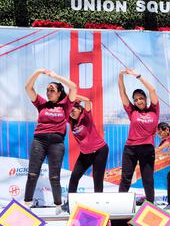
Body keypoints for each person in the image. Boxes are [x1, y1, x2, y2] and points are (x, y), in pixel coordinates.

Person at [24, 69, 77, 214]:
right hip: (39, 141)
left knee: (54, 177)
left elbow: (73, 87)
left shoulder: (65, 105)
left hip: (56, 143)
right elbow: (28, 88)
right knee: (32, 174)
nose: (48, 92)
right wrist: (38, 72)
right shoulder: (41, 103)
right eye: (47, 90)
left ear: (59, 93)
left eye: (52, 89)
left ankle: (58, 205)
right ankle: (27, 202)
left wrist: (56, 77)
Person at [118, 69, 159, 203]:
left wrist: (138, 76)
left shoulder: (154, 110)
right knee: (126, 178)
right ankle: (120, 205)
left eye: (141, 98)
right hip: (130, 149)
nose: (139, 101)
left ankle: (150, 206)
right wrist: (120, 76)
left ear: (145, 99)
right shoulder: (132, 111)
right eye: (136, 100)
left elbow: (152, 90)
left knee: (148, 179)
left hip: (147, 149)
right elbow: (122, 93)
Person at [67, 95, 109, 195]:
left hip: (100, 151)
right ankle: (70, 201)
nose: (71, 113)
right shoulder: (71, 121)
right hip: (85, 154)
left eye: (73, 110)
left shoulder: (86, 116)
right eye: (70, 112)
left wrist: (73, 96)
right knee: (74, 177)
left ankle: (98, 202)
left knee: (97, 178)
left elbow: (87, 101)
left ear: (80, 109)